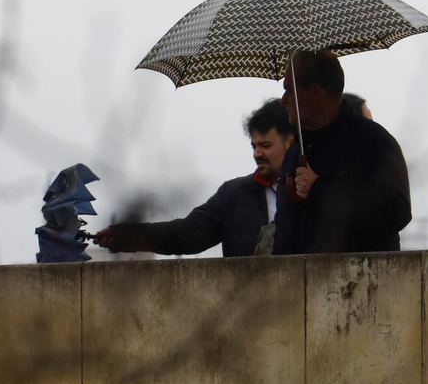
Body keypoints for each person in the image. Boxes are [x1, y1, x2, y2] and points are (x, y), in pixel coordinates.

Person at [94, 99, 294, 257]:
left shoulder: (316, 189)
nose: (257, 153)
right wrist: (127, 236)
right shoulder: (233, 195)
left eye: (265, 145)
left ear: (290, 142)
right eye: (254, 146)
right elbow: (186, 234)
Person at [276, 51, 411, 255]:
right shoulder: (295, 151)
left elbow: (397, 212)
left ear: (314, 93)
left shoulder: (372, 142)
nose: (283, 100)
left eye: (289, 90)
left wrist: (319, 189)